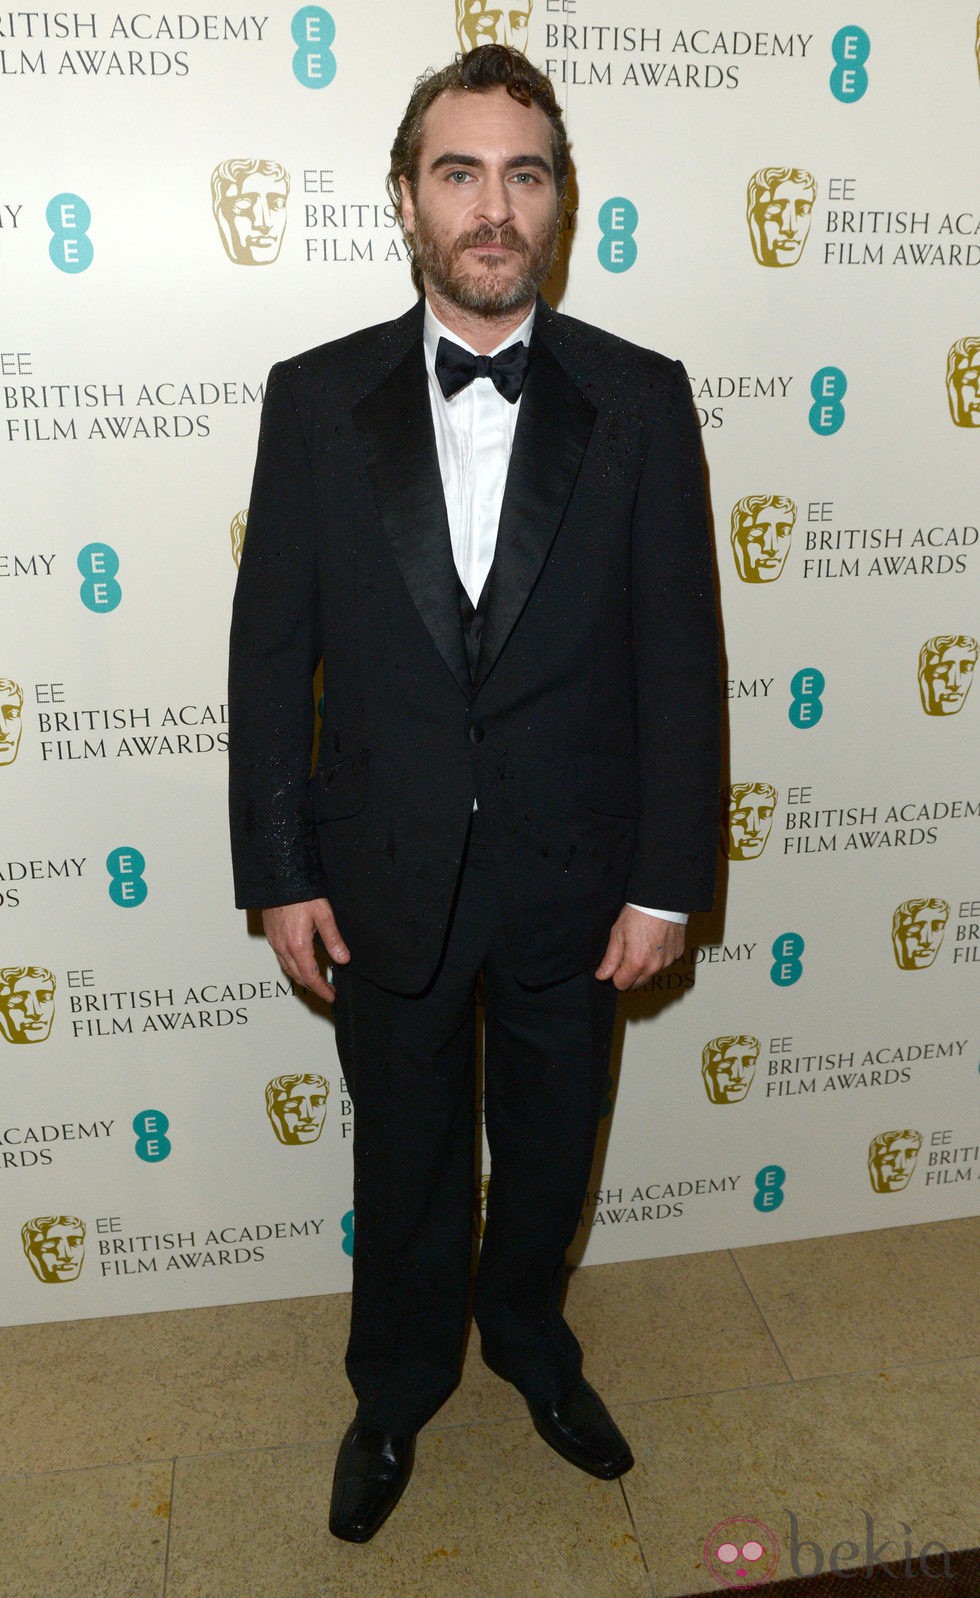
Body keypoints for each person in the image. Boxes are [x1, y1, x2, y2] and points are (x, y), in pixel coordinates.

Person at [229, 44, 720, 1542]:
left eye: (524, 174)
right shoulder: (315, 400)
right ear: (405, 197)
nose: (492, 208)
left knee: (555, 1136)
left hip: (579, 878)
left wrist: (664, 881)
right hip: (382, 873)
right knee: (409, 1142)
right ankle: (394, 1387)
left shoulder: (640, 399)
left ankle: (529, 1338)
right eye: (460, 172)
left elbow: (680, 661)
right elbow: (271, 660)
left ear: (560, 204)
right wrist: (280, 868)